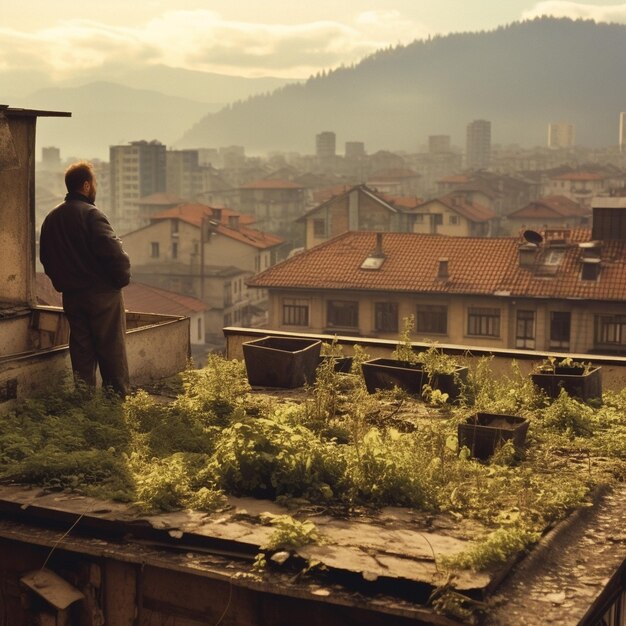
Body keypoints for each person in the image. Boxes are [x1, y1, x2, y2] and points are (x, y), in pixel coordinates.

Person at [40, 161, 131, 397]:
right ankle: (116, 404)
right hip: (102, 296)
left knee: (81, 351)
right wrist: (119, 281)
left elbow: (46, 258)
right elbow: (115, 256)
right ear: (87, 185)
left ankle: (84, 403)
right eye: (95, 184)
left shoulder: (52, 218)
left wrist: (63, 284)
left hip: (72, 296)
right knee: (112, 352)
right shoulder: (92, 215)